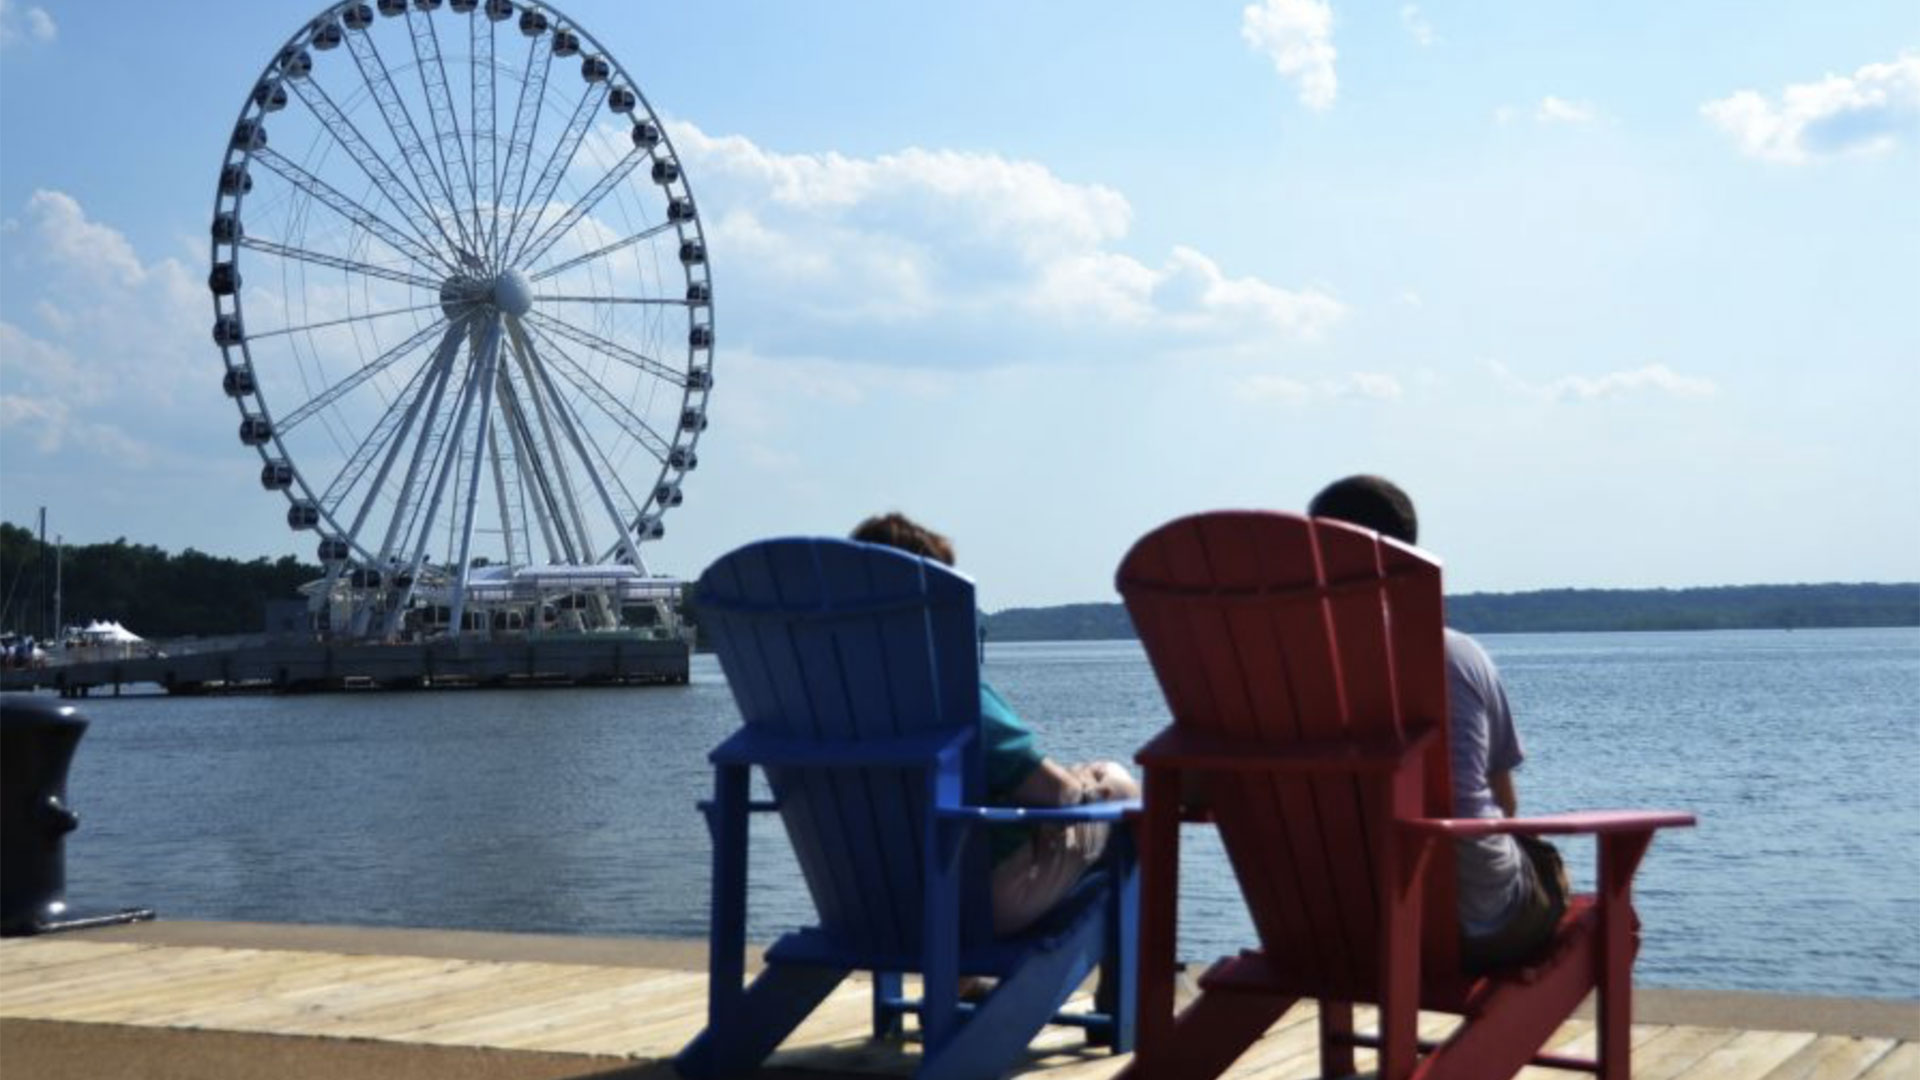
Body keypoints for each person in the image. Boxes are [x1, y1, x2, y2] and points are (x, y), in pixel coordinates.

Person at [1307, 475, 1569, 972]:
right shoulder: (1456, 656)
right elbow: (1505, 803)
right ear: (1403, 552)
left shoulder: (1275, 667)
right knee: (1546, 865)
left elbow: (1200, 788)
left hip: (1325, 923)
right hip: (1474, 923)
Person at [851, 512, 1140, 936]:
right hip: (973, 903)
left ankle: (964, 983)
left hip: (869, 901)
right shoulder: (948, 692)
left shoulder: (828, 698)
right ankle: (1124, 986)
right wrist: (1084, 783)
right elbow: (1054, 793)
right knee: (1121, 789)